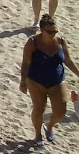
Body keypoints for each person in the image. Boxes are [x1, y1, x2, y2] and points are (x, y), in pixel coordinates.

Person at [20, 13, 69, 143]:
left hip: (57, 80)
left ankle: (49, 126)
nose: (53, 34)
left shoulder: (60, 41)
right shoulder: (32, 42)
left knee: (61, 111)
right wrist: (23, 81)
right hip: (36, 80)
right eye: (50, 32)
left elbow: (68, 60)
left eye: (55, 31)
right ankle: (38, 135)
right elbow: (25, 62)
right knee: (39, 108)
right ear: (42, 30)